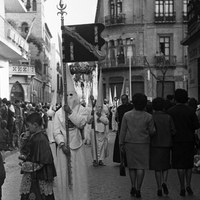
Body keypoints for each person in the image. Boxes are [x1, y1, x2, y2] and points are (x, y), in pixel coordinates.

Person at [53, 65, 89, 200]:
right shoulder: (58, 113)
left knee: (79, 176)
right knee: (64, 177)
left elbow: (81, 123)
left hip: (77, 146)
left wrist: (70, 112)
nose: (69, 97)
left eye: (71, 95)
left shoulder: (81, 109)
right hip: (64, 149)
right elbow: (56, 131)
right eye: (66, 95)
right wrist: (62, 144)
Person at [119, 93, 156, 198]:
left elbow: (123, 131)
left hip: (129, 143)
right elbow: (152, 131)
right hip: (143, 143)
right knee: (141, 167)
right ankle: (139, 189)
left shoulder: (127, 115)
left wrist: (121, 144)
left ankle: (133, 186)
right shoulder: (148, 116)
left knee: (132, 167)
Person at [168, 89, 200, 196]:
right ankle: (188, 185)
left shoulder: (171, 111)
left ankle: (181, 186)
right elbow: (196, 125)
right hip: (189, 140)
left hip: (176, 141)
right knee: (188, 165)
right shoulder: (190, 111)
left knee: (179, 165)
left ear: (175, 98)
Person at [19, 112, 56, 200]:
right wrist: (25, 138)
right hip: (33, 176)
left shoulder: (40, 139)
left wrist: (25, 166)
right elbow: (24, 151)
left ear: (35, 125)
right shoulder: (33, 136)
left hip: (39, 177)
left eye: (28, 126)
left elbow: (43, 161)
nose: (27, 129)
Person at [150, 97, 175, 196]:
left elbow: (150, 131)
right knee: (165, 166)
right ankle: (164, 181)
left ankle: (159, 187)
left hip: (155, 144)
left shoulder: (151, 117)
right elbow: (173, 130)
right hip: (166, 144)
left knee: (157, 168)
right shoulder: (168, 117)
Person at [113, 94, 133, 164]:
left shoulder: (132, 107)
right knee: (120, 144)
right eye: (122, 99)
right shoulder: (119, 108)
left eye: (124, 99)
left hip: (130, 128)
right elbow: (116, 118)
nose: (123, 101)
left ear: (127, 99)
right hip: (121, 127)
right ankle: (121, 159)